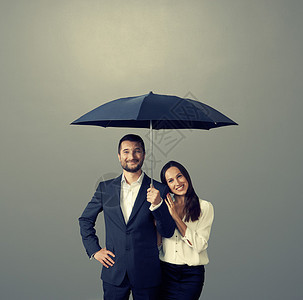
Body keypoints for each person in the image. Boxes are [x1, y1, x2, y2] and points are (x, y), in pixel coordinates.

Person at [78, 134, 175, 300]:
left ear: (144, 155)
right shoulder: (105, 188)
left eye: (137, 151)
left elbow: (167, 231)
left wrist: (158, 205)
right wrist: (95, 251)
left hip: (147, 272)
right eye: (126, 151)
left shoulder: (160, 189)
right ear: (119, 156)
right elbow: (85, 220)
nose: (131, 156)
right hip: (114, 272)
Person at [157, 161, 214, 300]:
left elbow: (200, 245)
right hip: (165, 272)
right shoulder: (163, 207)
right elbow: (158, 243)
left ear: (186, 177)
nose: (177, 183)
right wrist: (158, 216)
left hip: (191, 275)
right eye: (170, 180)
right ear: (167, 186)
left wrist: (176, 218)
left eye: (179, 176)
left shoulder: (204, 207)